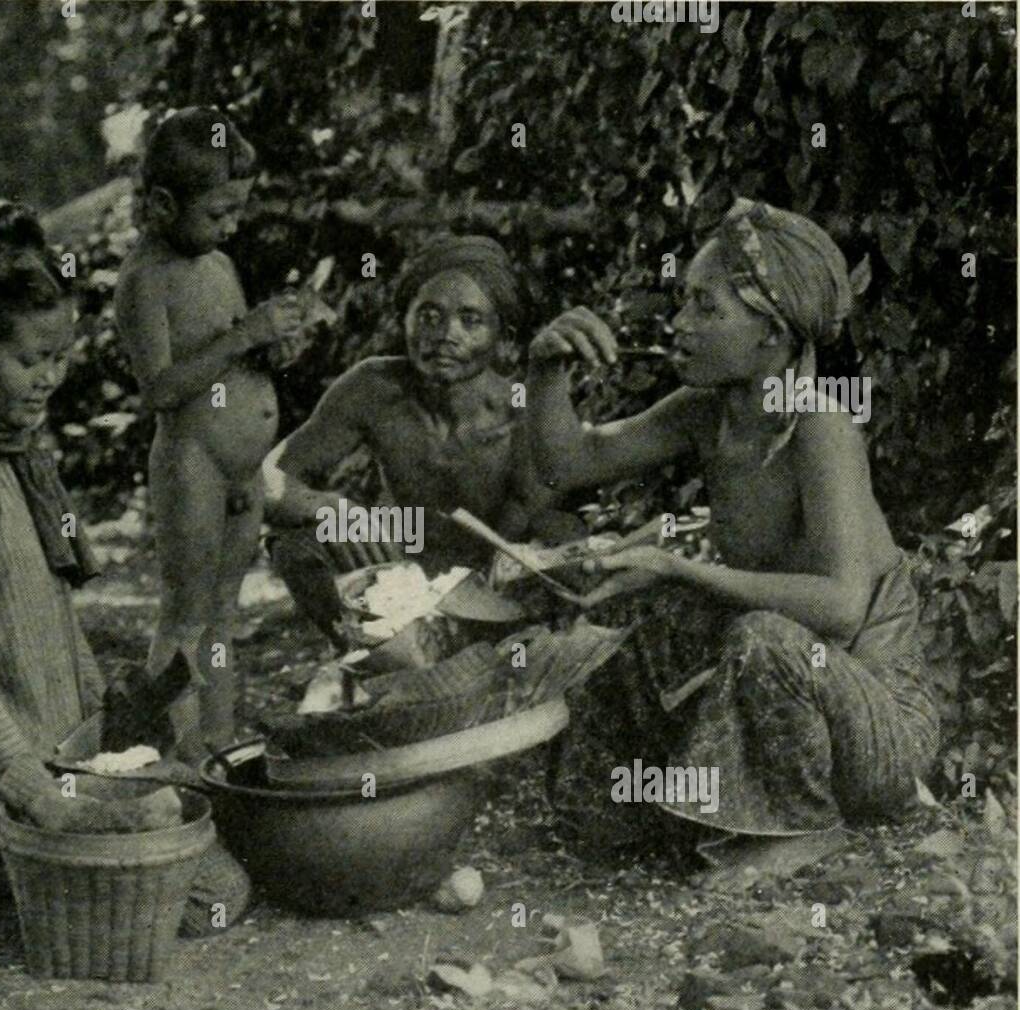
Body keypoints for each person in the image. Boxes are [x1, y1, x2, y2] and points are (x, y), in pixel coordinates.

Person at [0, 204, 249, 930]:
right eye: (28, 360)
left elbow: (46, 619)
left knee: (212, 823)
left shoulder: (8, 451)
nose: (48, 380)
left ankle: (3, 852)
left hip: (47, 750)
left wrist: (110, 724)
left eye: (59, 358)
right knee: (205, 900)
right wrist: (32, 790)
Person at [525, 199, 939, 873]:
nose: (679, 324)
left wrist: (679, 566)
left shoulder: (818, 427)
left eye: (705, 308)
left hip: (877, 724)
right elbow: (564, 465)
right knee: (632, 623)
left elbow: (839, 606)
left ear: (771, 334)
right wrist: (546, 372)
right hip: (799, 704)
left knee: (763, 637)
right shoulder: (704, 413)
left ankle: (805, 827)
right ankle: (633, 816)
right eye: (683, 302)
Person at [265, 233, 577, 645]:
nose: (446, 334)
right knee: (297, 545)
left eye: (471, 320)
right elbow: (266, 480)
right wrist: (326, 506)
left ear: (503, 337)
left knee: (565, 537)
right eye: (429, 316)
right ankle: (372, 660)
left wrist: (525, 560)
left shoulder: (523, 410)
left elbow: (545, 522)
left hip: (495, 590)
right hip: (400, 573)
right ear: (404, 320)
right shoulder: (372, 387)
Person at [115, 107, 305, 762]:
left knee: (225, 612)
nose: (231, 226)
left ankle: (217, 747)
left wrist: (271, 350)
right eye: (218, 214)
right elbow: (161, 389)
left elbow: (229, 348)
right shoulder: (145, 281)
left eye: (236, 213)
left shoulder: (219, 264)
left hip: (241, 469)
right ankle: (176, 754)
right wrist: (246, 335)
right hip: (192, 461)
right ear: (164, 203)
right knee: (187, 614)